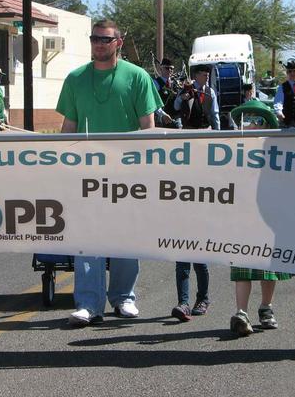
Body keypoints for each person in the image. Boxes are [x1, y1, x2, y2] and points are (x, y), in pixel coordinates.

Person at [56, 19, 161, 326]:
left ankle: (124, 298)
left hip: (128, 175)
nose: (98, 44)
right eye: (94, 38)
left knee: (126, 239)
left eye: (104, 39)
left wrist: (147, 170)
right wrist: (61, 165)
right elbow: (68, 130)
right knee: (87, 239)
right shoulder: (76, 78)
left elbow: (148, 128)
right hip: (86, 173)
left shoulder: (138, 77)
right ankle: (88, 304)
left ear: (119, 42)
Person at [228, 100, 293, 336]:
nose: (252, 125)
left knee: (268, 266)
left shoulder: (277, 151)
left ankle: (266, 307)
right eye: (247, 120)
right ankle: (241, 312)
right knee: (243, 264)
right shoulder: (231, 149)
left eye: (257, 120)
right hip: (243, 215)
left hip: (269, 216)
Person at [174, 64, 220, 130]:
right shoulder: (186, 89)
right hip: (190, 131)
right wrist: (181, 98)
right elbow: (176, 107)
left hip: (207, 130)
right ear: (196, 76)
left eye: (208, 75)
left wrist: (218, 131)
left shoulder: (211, 92)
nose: (207, 78)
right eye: (205, 75)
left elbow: (215, 113)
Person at [153, 58, 181, 128]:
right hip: (161, 118)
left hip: (175, 118)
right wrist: (162, 114)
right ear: (161, 69)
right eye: (167, 68)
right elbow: (153, 102)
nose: (170, 70)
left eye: (171, 68)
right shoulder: (156, 83)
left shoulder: (175, 83)